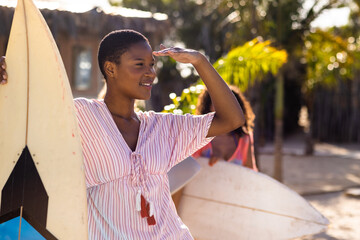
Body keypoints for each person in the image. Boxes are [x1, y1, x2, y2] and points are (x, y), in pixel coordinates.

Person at [0, 29, 245, 239]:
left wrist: (200, 61)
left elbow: (232, 119)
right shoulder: (81, 115)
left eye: (152, 64)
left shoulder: (164, 128)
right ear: (110, 68)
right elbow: (25, 113)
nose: (151, 73)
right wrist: (8, 82)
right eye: (140, 65)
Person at [193, 86, 258, 171]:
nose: (223, 107)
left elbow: (251, 173)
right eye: (217, 102)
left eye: (228, 103)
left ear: (237, 108)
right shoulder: (199, 135)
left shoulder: (244, 138)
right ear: (208, 106)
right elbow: (186, 169)